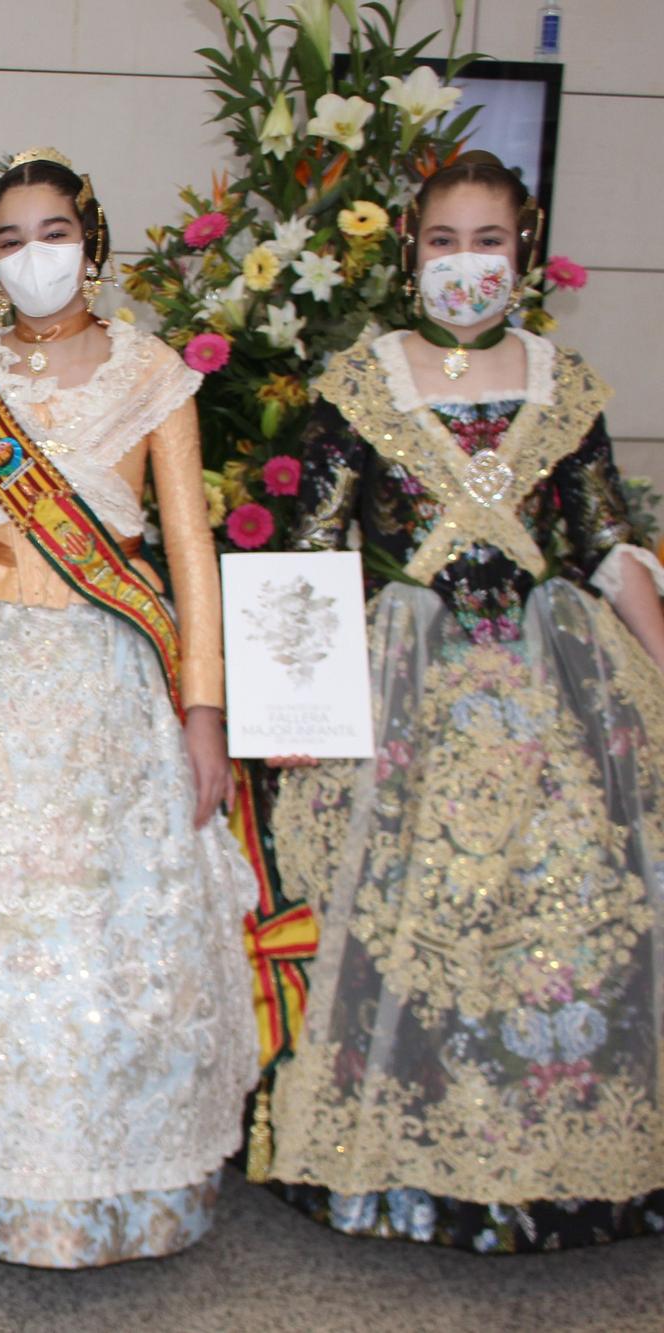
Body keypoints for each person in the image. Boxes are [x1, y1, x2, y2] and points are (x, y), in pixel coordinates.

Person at [0, 149, 260, 1267]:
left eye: (52, 232)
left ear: (92, 238)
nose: (36, 256)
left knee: (105, 917)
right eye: (10, 240)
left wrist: (203, 709)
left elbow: (187, 551)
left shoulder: (155, 375)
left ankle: (118, 1176)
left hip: (107, 667)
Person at [265, 151, 664, 1251]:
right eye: (443, 242)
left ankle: (561, 1163)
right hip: (404, 673)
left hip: (551, 677)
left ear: (522, 252)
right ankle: (409, 1162)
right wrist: (289, 712)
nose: (464, 265)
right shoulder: (359, 381)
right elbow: (309, 554)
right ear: (408, 251)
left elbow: (606, 543)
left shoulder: (561, 382)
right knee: (408, 913)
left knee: (567, 905)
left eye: (486, 242)